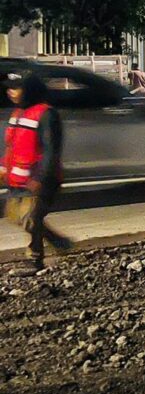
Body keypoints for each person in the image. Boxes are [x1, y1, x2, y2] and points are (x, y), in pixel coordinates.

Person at [3, 70, 71, 275]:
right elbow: (12, 146)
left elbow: (52, 150)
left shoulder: (46, 114)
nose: (11, 93)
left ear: (30, 89)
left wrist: (41, 177)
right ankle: (58, 241)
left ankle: (35, 260)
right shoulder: (17, 114)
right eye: (9, 88)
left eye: (16, 88)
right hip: (18, 179)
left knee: (31, 217)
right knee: (15, 215)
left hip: (40, 180)